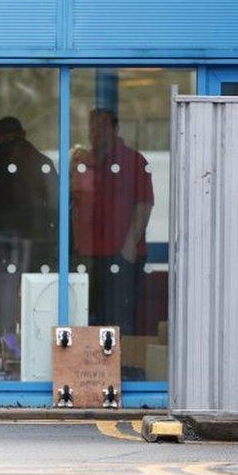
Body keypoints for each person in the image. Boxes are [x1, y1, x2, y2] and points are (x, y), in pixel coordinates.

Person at [0, 116, 58, 358]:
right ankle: (35, 357)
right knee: (37, 304)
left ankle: (2, 355)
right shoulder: (43, 163)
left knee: (1, 305)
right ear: (24, 133)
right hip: (38, 246)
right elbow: (56, 208)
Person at [71, 107, 153, 335]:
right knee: (92, 317)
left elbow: (144, 204)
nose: (96, 132)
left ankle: (122, 367)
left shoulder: (133, 160)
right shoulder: (88, 162)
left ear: (115, 129)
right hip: (91, 253)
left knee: (119, 318)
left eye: (102, 126)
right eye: (92, 127)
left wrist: (128, 246)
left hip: (121, 254)